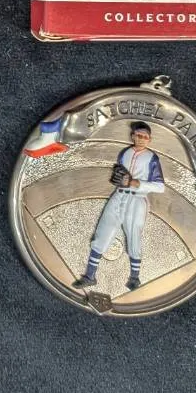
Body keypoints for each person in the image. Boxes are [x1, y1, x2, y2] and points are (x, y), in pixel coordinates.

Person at [74, 122, 165, 291]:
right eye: (139, 135)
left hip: (137, 199)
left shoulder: (152, 158)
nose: (142, 139)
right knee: (103, 231)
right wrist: (118, 178)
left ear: (150, 140)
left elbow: (160, 187)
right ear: (132, 136)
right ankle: (90, 276)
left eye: (145, 137)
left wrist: (136, 183)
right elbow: (119, 175)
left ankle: (134, 278)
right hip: (119, 195)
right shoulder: (124, 153)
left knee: (133, 236)